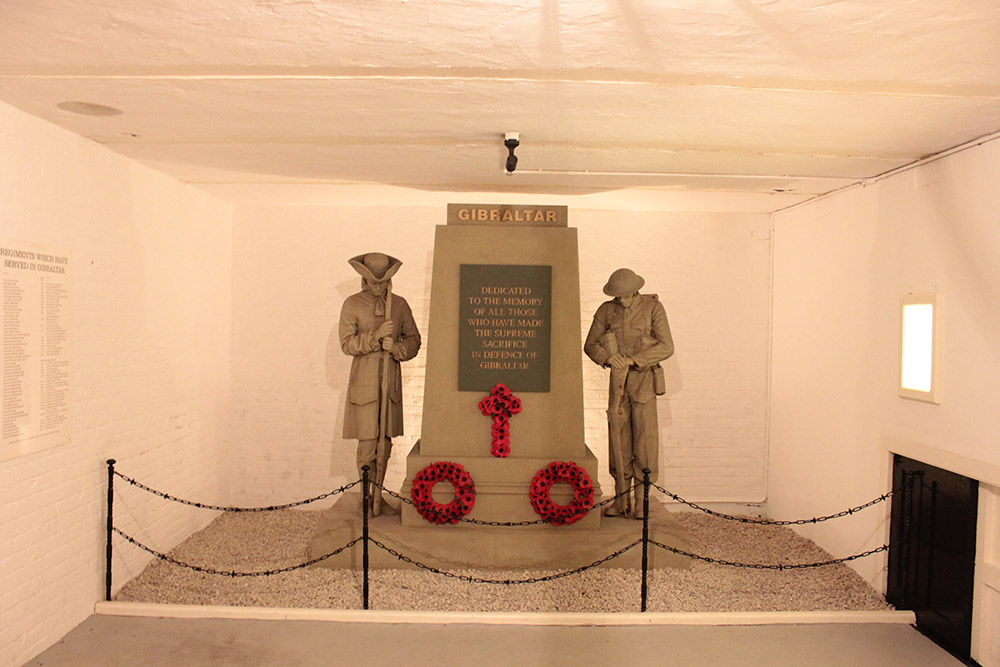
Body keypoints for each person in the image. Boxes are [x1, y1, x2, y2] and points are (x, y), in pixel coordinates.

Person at [584, 268, 674, 519]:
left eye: (623, 296)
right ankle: (621, 499)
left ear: (635, 292)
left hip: (643, 382)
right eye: (616, 296)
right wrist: (608, 358)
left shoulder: (653, 308)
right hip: (618, 384)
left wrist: (634, 360)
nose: (619, 300)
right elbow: (590, 344)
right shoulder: (606, 310)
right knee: (618, 440)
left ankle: (641, 502)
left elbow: (667, 346)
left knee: (645, 442)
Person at [339, 252, 421, 516]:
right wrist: (375, 338)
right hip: (364, 381)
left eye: (382, 282)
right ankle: (366, 497)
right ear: (363, 279)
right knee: (367, 446)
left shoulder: (399, 305)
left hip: (389, 382)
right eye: (372, 282)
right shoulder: (352, 304)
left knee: (385, 445)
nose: (377, 287)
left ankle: (378, 495)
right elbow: (346, 344)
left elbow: (414, 340)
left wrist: (396, 347)